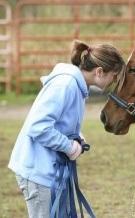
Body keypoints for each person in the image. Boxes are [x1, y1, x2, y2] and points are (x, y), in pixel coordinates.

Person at [8, 40, 125, 217]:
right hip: (39, 172)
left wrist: (77, 136)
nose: (114, 82)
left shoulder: (78, 87)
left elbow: (61, 121)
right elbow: (38, 126)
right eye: (114, 76)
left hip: (52, 170)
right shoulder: (66, 85)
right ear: (100, 72)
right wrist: (69, 146)